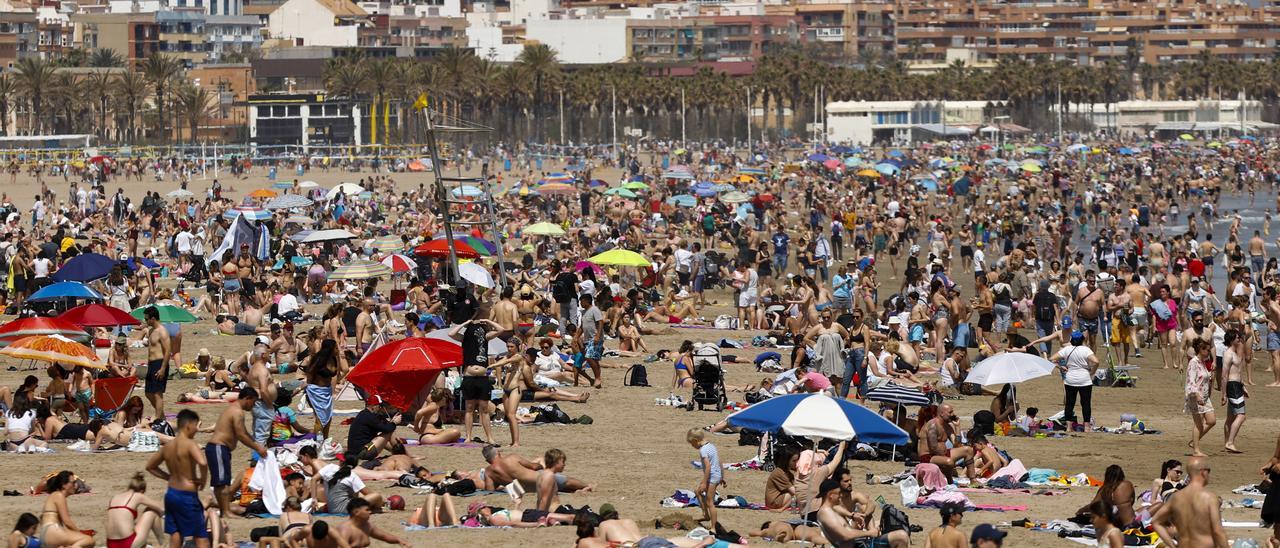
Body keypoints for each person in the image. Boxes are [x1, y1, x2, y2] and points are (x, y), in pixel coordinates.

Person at [145, 408, 209, 548]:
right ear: (188, 425)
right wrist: (203, 480)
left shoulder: (168, 445)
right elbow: (203, 462)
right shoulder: (190, 444)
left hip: (171, 493)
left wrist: (168, 477)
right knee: (200, 535)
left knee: (176, 533)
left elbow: (150, 466)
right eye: (196, 426)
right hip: (187, 495)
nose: (196, 430)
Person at [206, 385, 267, 519]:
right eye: (254, 402)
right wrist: (258, 448)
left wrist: (257, 444)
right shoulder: (237, 412)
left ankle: (224, 511)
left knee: (222, 482)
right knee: (222, 483)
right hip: (218, 447)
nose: (254, 406)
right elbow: (241, 435)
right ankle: (226, 511)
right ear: (247, 398)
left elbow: (244, 433)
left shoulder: (234, 409)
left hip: (220, 448)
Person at [1150, 456, 1227, 548]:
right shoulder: (1209, 497)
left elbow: (1155, 522)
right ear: (1203, 472)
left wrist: (1172, 545)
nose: (1178, 474)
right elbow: (1218, 531)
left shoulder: (1177, 498)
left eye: (1180, 472)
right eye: (1208, 471)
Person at [449, 314, 501, 444]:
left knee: (484, 409)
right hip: (469, 377)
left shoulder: (486, 337)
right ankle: (468, 436)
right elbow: (451, 333)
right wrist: (465, 323)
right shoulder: (464, 338)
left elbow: (501, 330)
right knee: (469, 408)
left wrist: (488, 321)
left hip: (483, 377)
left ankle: (489, 437)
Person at [815, 478, 908, 548]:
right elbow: (845, 535)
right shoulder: (825, 513)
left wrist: (852, 515)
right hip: (859, 546)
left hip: (859, 543)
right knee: (901, 536)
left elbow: (839, 510)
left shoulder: (829, 509)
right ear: (830, 495)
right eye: (838, 493)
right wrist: (869, 533)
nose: (840, 496)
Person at [105, 472, 165, 548]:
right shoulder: (137, 495)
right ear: (142, 491)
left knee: (135, 528)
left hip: (111, 544)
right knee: (151, 511)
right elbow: (162, 508)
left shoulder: (115, 497)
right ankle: (162, 543)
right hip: (127, 543)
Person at [37, 471, 94, 548]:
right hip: (52, 531)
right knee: (88, 540)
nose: (76, 485)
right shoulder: (59, 495)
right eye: (73, 482)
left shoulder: (54, 495)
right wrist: (80, 533)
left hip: (47, 533)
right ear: (64, 485)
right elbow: (67, 521)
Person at [1055, 331, 1098, 429]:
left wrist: (1060, 367)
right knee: (1086, 404)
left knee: (1069, 404)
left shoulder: (1066, 349)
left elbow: (1051, 359)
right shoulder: (1086, 350)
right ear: (1082, 340)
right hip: (1084, 379)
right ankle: (1087, 426)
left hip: (1070, 379)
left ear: (1071, 340)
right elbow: (1096, 361)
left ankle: (1069, 427)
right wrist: (1092, 372)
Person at [922, 404, 976, 482]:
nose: (953, 415)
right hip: (929, 456)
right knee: (949, 461)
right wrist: (946, 457)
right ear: (942, 413)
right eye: (950, 412)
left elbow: (957, 445)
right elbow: (933, 447)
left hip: (942, 454)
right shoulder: (933, 425)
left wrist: (957, 427)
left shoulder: (947, 426)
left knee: (968, 450)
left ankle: (973, 480)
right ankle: (949, 480)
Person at [1186, 338, 1217, 457]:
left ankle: (1194, 441)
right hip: (1195, 397)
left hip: (1204, 396)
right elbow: (1190, 382)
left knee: (1211, 421)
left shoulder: (1203, 362)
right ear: (1200, 349)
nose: (1209, 352)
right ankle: (1196, 450)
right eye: (1207, 350)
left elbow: (1203, 378)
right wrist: (1197, 395)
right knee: (1198, 424)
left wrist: (1211, 375)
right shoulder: (1193, 362)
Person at [687, 428, 723, 532]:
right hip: (717, 475)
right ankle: (706, 515)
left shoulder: (703, 450)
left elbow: (708, 467)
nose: (692, 446)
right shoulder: (711, 446)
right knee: (697, 492)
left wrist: (704, 482)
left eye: (692, 444)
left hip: (712, 477)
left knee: (710, 502)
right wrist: (722, 477)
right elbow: (719, 461)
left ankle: (713, 527)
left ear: (695, 441)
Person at [334, 499, 408, 547]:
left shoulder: (367, 526)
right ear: (356, 512)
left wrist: (399, 540)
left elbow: (384, 536)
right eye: (367, 510)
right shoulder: (345, 530)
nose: (370, 512)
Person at [347, 395, 399, 460]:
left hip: (355, 452)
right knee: (389, 433)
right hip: (362, 453)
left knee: (380, 436)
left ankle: (398, 452)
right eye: (379, 406)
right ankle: (401, 453)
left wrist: (391, 422)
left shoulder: (364, 414)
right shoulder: (370, 417)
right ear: (373, 406)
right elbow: (388, 429)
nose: (380, 408)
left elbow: (384, 428)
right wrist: (394, 423)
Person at [1220, 330, 1248, 454]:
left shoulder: (1235, 353)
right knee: (1241, 416)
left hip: (1237, 386)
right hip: (1232, 387)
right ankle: (1230, 442)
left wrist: (1243, 386)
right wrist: (1223, 394)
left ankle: (1227, 443)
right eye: (1237, 338)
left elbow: (1238, 372)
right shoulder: (1228, 354)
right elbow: (1224, 376)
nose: (1239, 340)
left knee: (1231, 417)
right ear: (1231, 340)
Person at [142, 306, 171, 418]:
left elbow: (168, 350)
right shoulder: (151, 331)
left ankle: (158, 419)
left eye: (146, 319)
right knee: (148, 393)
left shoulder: (162, 331)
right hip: (151, 364)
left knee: (157, 394)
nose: (145, 321)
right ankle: (161, 416)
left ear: (153, 318)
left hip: (160, 364)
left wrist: (163, 368)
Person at [578, 294, 605, 388]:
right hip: (587, 339)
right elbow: (582, 326)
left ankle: (597, 378)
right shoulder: (584, 312)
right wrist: (576, 336)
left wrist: (597, 335)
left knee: (589, 357)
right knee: (594, 360)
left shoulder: (594, 310)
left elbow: (600, 322)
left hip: (595, 338)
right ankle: (598, 380)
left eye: (581, 301)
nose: (580, 303)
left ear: (586, 301)